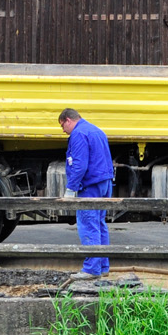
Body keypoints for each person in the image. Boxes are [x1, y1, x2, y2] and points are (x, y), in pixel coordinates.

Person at [59, 108, 114, 279]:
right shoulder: (96, 130)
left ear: (68, 120)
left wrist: (71, 188)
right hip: (104, 183)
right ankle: (103, 266)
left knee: (88, 225)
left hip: (90, 186)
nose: (63, 130)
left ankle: (91, 269)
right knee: (99, 224)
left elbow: (80, 164)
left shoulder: (78, 134)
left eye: (62, 126)